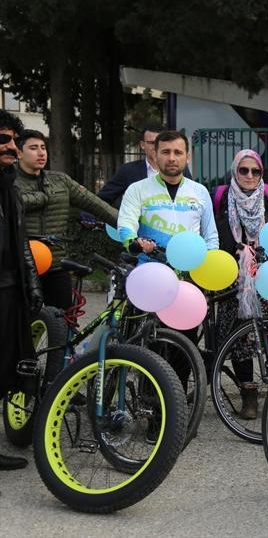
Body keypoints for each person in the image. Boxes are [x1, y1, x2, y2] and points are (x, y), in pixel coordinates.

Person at [213, 149, 268, 420]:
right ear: (235, 171)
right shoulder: (221, 196)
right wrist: (232, 250)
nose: (249, 175)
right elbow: (212, 231)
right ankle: (249, 395)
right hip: (231, 275)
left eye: (255, 171)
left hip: (266, 273)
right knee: (239, 337)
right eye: (243, 170)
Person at [14, 129, 118, 309]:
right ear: (19, 152)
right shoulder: (9, 180)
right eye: (33, 148)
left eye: (43, 148)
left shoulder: (60, 180)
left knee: (62, 321)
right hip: (21, 266)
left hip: (56, 265)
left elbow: (97, 206)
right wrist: (39, 198)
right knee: (22, 323)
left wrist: (132, 225)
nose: (41, 153)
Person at [0, 110, 41, 472]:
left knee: (6, 365)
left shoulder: (8, 187)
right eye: (5, 139)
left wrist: (31, 283)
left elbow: (21, 243)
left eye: (14, 139)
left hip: (10, 290)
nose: (11, 146)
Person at [118, 130, 219, 257]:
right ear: (155, 155)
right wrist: (133, 243)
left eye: (178, 152)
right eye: (165, 152)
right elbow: (126, 224)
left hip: (191, 271)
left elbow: (211, 237)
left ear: (187, 157)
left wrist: (210, 264)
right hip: (149, 270)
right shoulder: (137, 189)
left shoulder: (200, 191)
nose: (171, 158)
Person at [98, 123, 191, 206]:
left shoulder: (179, 170)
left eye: (159, 143)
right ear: (142, 145)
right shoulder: (128, 171)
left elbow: (191, 199)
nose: (155, 147)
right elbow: (102, 199)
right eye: (152, 143)